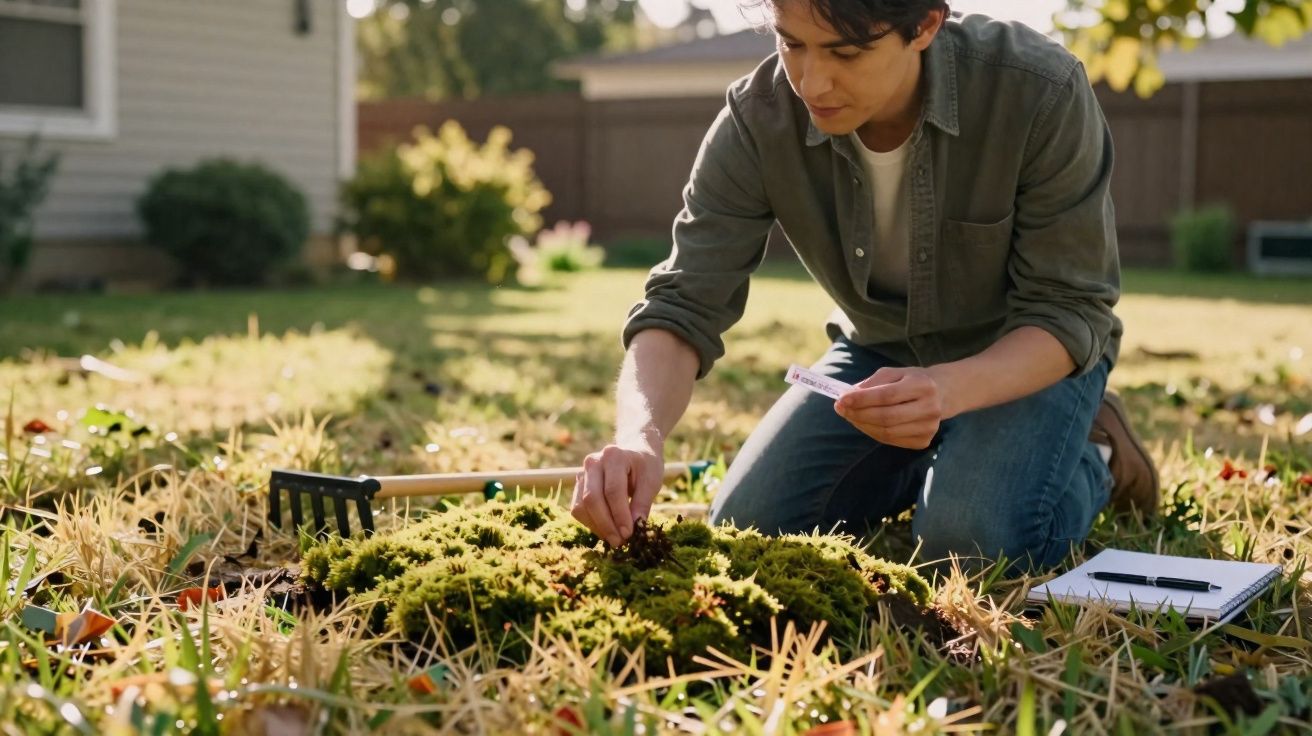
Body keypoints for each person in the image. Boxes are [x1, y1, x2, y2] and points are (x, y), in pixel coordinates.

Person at [570, 0, 1159, 574]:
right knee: (749, 529)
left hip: (1027, 358)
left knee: (970, 544)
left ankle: (1097, 450)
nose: (811, 82)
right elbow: (681, 301)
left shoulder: (1037, 89)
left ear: (925, 24)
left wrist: (947, 389)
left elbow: (1068, 308)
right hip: (876, 354)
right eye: (792, 43)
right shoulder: (759, 118)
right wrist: (639, 436)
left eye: (845, 52)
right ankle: (935, 458)